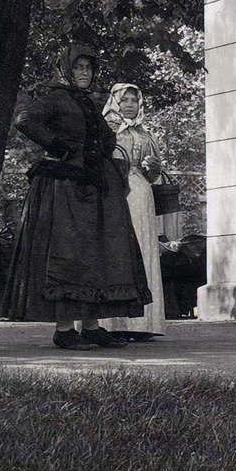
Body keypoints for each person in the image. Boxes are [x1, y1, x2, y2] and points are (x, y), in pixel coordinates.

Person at [3, 44, 151, 349]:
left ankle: (91, 327)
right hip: (67, 186)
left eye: (88, 68)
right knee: (68, 253)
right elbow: (24, 120)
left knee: (96, 255)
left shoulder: (86, 102)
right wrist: (59, 147)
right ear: (66, 70)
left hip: (94, 183)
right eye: (78, 68)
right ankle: (64, 329)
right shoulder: (55, 99)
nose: (84, 73)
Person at [96, 84, 167, 340]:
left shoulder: (145, 134)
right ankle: (111, 322)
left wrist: (154, 168)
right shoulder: (105, 129)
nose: (129, 104)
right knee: (116, 251)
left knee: (144, 249)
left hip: (142, 193)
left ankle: (142, 324)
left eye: (133, 100)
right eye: (123, 99)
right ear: (114, 101)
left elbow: (154, 174)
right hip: (113, 191)